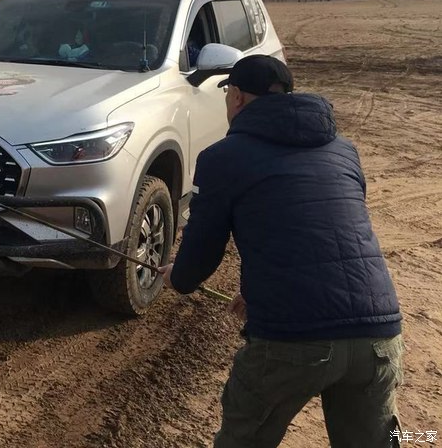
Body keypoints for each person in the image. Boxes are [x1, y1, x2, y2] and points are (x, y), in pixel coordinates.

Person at [158, 54, 403, 448]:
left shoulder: (221, 157)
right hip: (379, 335)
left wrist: (179, 278)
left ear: (235, 97)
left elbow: (200, 254)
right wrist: (260, 294)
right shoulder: (345, 151)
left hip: (292, 340)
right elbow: (323, 236)